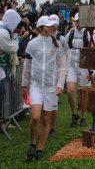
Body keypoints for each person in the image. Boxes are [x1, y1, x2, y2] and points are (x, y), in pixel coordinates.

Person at [21, 16, 66, 161]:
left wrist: (60, 84)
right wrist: (24, 84)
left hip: (51, 87)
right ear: (40, 27)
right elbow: (27, 65)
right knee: (35, 118)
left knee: (46, 120)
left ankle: (40, 148)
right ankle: (32, 144)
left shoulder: (57, 44)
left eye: (53, 26)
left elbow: (62, 66)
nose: (51, 28)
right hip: (36, 86)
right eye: (48, 26)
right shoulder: (32, 44)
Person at [65, 13, 90, 127]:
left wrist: (91, 70)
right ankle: (74, 113)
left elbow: (91, 52)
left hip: (84, 67)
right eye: (76, 21)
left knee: (83, 93)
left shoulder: (87, 34)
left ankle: (83, 117)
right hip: (71, 66)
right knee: (70, 91)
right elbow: (62, 46)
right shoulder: (70, 33)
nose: (78, 23)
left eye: (80, 21)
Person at [48, 14, 70, 138]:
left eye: (54, 26)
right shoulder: (42, 38)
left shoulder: (61, 39)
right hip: (45, 74)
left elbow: (67, 54)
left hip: (56, 74)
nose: (52, 28)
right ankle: (46, 124)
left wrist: (64, 72)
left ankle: (52, 128)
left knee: (54, 102)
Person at [0, 10, 22, 111]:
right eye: (17, 24)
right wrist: (16, 37)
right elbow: (12, 49)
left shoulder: (4, 29)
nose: (19, 27)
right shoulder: (3, 32)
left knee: (3, 91)